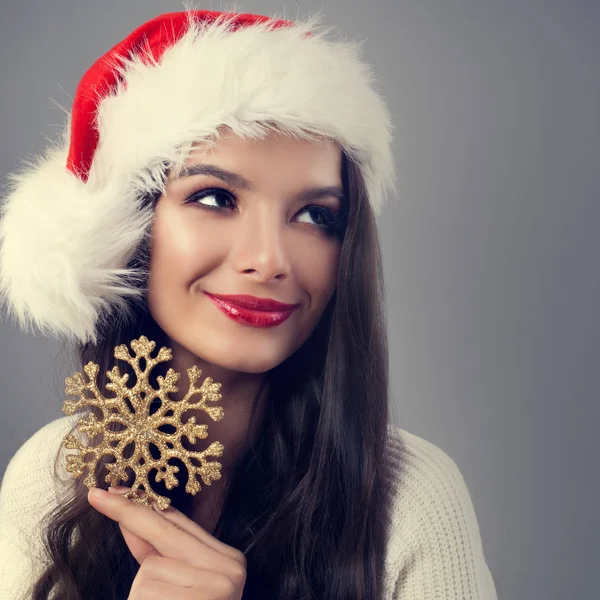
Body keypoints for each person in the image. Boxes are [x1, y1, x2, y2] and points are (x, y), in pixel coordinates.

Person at [0, 8, 498, 600]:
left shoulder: (414, 499)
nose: (269, 259)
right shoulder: (53, 475)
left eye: (316, 215)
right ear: (129, 227)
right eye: (214, 197)